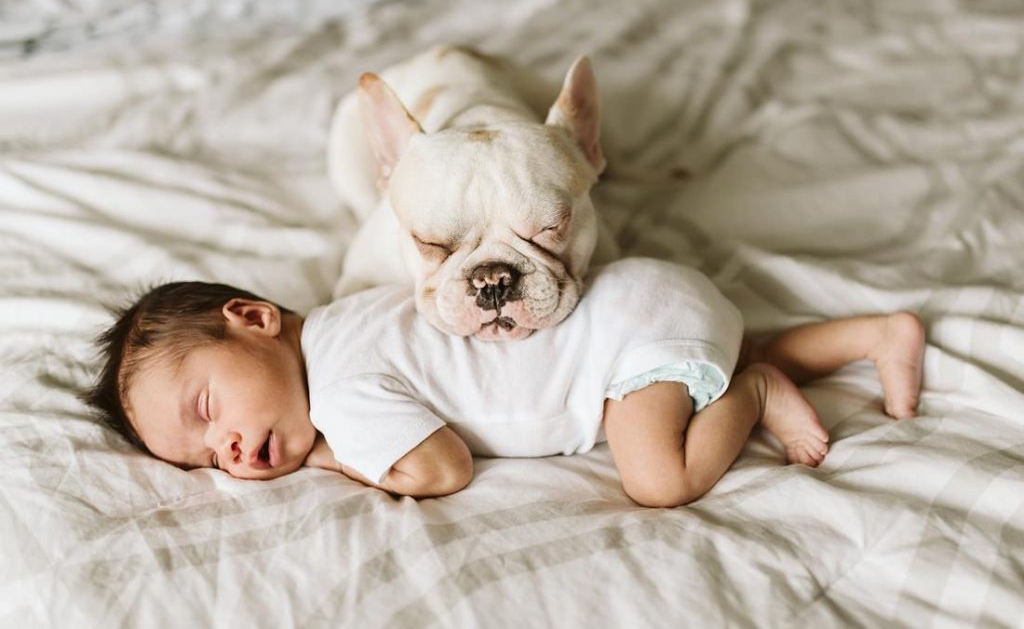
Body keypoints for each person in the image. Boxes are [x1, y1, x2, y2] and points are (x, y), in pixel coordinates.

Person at [81, 258, 925, 508]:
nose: (226, 448)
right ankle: (874, 333)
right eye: (202, 458)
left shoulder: (338, 393)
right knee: (711, 347)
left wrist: (328, 460)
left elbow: (440, 470)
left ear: (256, 319)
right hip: (648, 299)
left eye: (207, 408)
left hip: (625, 345)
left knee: (659, 478)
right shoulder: (348, 316)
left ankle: (760, 392)